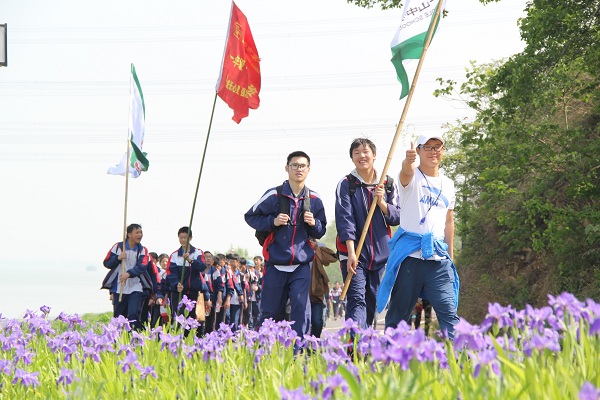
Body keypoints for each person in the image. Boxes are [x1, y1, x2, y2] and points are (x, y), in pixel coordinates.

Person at [377, 133, 460, 340]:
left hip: (438, 260)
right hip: (410, 258)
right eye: (427, 147)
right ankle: (390, 356)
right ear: (419, 151)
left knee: (449, 314)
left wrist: (450, 257)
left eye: (437, 147)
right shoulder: (412, 176)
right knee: (398, 316)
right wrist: (408, 161)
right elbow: (406, 172)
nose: (433, 151)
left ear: (443, 151)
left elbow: (449, 221)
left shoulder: (448, 184)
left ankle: (461, 357)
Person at [244, 150, 327, 338]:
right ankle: (267, 348)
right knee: (271, 313)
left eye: (302, 166)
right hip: (275, 264)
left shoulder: (315, 199)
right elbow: (250, 216)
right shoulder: (274, 195)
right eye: (294, 165)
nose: (299, 169)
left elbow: (321, 230)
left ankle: (298, 349)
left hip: (301, 266)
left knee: (301, 310)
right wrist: (272, 221)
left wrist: (314, 223)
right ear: (287, 168)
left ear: (308, 169)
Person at [335, 138, 401, 329]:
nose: (361, 156)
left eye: (365, 152)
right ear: (352, 158)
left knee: (373, 301)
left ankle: (365, 340)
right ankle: (356, 343)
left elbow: (397, 217)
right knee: (357, 300)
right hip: (353, 254)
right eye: (356, 153)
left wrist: (381, 203)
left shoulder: (387, 183)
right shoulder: (347, 184)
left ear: (374, 155)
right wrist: (351, 252)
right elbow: (345, 219)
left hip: (380, 254)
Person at [102, 223, 154, 331]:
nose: (140, 235)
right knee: (119, 316)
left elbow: (142, 265)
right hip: (119, 287)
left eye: (141, 232)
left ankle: (133, 336)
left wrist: (128, 274)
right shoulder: (118, 247)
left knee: (134, 314)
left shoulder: (142, 250)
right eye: (137, 232)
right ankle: (119, 337)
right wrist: (118, 258)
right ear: (129, 234)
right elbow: (107, 263)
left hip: (136, 286)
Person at [163, 226, 211, 335]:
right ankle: (177, 338)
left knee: (190, 318)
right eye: (181, 237)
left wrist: (190, 260)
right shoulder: (174, 255)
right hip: (179, 292)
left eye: (185, 237)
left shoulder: (198, 253)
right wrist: (177, 284)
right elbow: (170, 273)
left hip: (192, 292)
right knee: (178, 317)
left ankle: (188, 340)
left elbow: (202, 266)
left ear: (190, 238)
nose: (183, 240)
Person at [308, 238, 335, 338]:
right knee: (301, 320)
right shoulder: (295, 246)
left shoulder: (320, 246)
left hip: (316, 291)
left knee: (317, 322)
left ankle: (314, 343)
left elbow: (329, 260)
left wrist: (317, 249)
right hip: (299, 290)